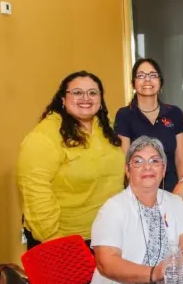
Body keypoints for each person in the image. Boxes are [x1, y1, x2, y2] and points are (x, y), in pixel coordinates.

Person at [77, 136, 183, 284]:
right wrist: (154, 273)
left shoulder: (172, 201)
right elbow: (106, 262)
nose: (147, 167)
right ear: (127, 171)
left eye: (154, 161)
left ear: (163, 169)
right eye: (138, 161)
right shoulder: (113, 209)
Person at [18, 71, 124, 248]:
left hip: (107, 235)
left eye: (92, 92)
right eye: (77, 92)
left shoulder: (105, 128)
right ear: (63, 99)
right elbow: (36, 192)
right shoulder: (44, 136)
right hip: (65, 242)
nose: (86, 98)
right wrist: (57, 242)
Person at [114, 58, 183, 191]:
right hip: (138, 191)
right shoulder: (124, 115)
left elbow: (181, 159)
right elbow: (125, 160)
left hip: (172, 191)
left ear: (160, 82)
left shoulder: (174, 113)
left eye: (153, 75)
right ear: (133, 84)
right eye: (141, 76)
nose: (147, 80)